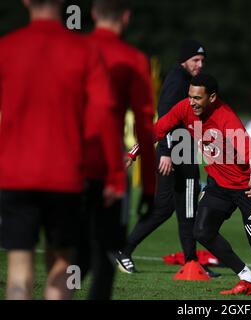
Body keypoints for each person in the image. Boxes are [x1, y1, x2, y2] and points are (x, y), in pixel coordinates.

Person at [129, 73, 251, 295]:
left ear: (212, 97)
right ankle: (248, 279)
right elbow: (157, 130)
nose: (191, 102)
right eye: (190, 96)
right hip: (218, 186)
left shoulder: (226, 117)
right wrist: (133, 153)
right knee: (202, 231)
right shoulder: (184, 108)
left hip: (247, 186)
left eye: (197, 98)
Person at [0, 0, 125, 299]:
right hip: (65, 176)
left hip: (15, 175)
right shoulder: (85, 51)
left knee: (18, 273)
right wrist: (115, 175)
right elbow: (105, 114)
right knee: (62, 268)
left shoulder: (6, 47)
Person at [72, 0, 156, 300]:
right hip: (110, 173)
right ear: (127, 16)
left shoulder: (74, 49)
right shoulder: (133, 59)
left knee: (71, 256)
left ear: (93, 14)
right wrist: (149, 187)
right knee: (106, 256)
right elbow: (145, 128)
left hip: (70, 168)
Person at [116, 40, 221, 277]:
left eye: (202, 61)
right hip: (175, 154)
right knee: (172, 209)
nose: (200, 65)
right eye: (195, 60)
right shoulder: (178, 80)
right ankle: (125, 250)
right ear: (184, 60)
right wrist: (165, 152)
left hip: (182, 152)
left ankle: (191, 262)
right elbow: (164, 116)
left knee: (182, 210)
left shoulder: (185, 79)